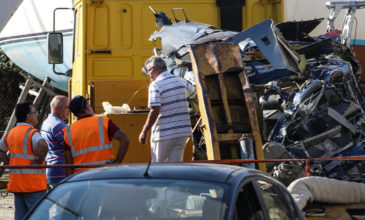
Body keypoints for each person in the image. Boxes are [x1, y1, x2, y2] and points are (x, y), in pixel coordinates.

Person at [139, 56, 196, 162]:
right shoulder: (180, 81)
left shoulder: (155, 85)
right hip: (182, 132)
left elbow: (154, 110)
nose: (148, 74)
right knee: (174, 168)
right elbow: (195, 94)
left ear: (156, 68)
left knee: (157, 167)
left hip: (163, 134)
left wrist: (144, 131)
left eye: (148, 70)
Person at [0, 102, 48, 220]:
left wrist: (7, 162)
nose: (37, 114)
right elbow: (44, 145)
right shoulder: (32, 133)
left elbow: (0, 149)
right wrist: (39, 161)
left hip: (17, 185)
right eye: (35, 112)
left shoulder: (11, 133)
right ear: (28, 116)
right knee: (39, 216)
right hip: (34, 186)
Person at [63, 95, 129, 174]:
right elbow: (125, 139)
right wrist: (118, 161)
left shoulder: (68, 132)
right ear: (87, 107)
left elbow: (68, 166)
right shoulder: (104, 122)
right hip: (103, 173)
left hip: (81, 177)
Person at [40, 95, 70, 187]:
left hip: (53, 172)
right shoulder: (58, 126)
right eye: (66, 107)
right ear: (56, 109)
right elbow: (70, 147)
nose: (69, 110)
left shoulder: (47, 122)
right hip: (62, 173)